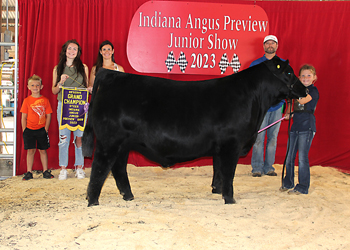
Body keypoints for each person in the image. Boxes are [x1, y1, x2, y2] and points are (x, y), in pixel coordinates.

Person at [52, 39, 89, 180]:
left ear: (78, 52)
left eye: (75, 49)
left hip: (80, 106)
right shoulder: (57, 68)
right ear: (65, 50)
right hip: (64, 106)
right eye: (70, 49)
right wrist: (60, 82)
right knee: (64, 138)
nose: (72, 51)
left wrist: (90, 89)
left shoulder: (83, 67)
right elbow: (54, 91)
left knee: (79, 138)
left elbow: (86, 87)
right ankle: (63, 168)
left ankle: (79, 167)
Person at [280, 64, 319, 194]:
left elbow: (302, 101)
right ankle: (288, 183)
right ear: (299, 77)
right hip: (295, 126)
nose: (305, 78)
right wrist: (288, 113)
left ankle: (303, 186)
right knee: (289, 156)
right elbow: (292, 105)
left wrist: (292, 92)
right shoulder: (297, 92)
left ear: (314, 78)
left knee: (302, 158)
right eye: (302, 75)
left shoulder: (313, 91)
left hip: (306, 126)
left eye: (308, 75)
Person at [250, 35, 285, 177]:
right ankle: (257, 168)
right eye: (267, 43)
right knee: (258, 137)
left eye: (273, 43)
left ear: (277, 46)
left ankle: (269, 167)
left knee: (273, 138)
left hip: (277, 107)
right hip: (261, 107)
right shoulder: (256, 64)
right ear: (264, 46)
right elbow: (251, 86)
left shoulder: (283, 64)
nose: (270, 45)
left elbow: (287, 85)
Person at [21, 74, 53, 180]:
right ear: (28, 87)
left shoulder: (45, 100)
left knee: (43, 150)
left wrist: (46, 129)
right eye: (33, 85)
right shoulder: (26, 101)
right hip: (29, 129)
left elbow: (48, 115)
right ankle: (29, 171)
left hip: (41, 130)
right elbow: (23, 117)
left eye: (37, 85)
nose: (35, 87)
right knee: (30, 150)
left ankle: (45, 171)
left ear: (41, 87)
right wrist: (24, 130)